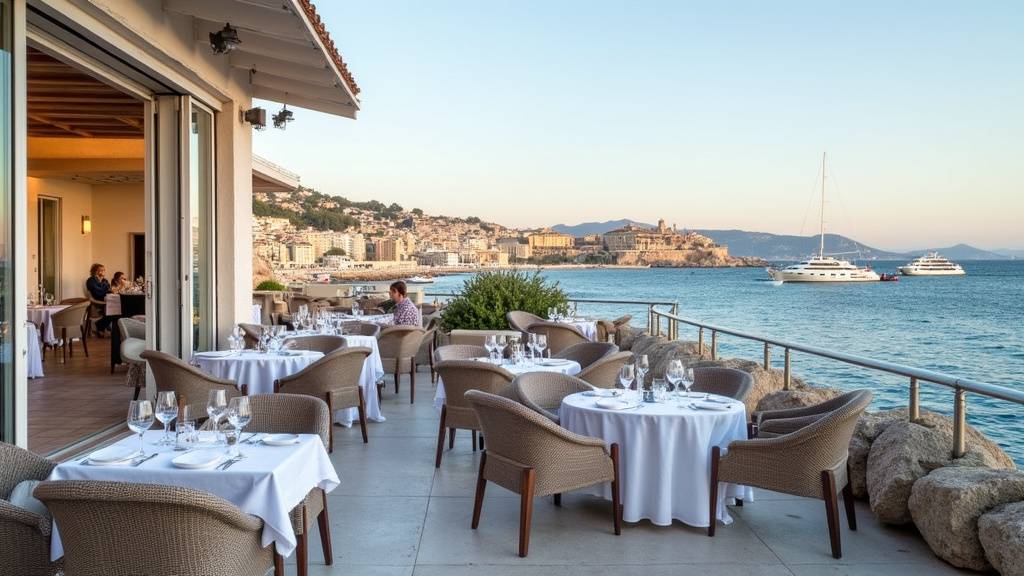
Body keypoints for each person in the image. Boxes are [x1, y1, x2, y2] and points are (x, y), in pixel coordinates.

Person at [86, 263, 113, 334]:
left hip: (107, 298)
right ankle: (100, 325)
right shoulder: (91, 280)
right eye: (101, 270)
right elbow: (99, 292)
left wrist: (109, 289)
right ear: (95, 271)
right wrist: (107, 289)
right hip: (98, 299)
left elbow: (109, 289)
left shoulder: (105, 280)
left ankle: (103, 325)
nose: (103, 272)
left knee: (118, 307)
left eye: (104, 270)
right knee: (115, 309)